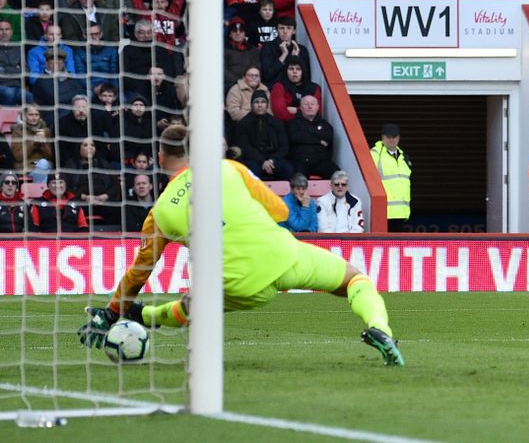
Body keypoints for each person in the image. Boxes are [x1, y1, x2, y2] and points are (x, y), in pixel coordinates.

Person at [77, 126, 404, 366]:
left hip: (236, 284)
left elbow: (140, 272)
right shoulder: (229, 168)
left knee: (196, 306)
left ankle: (142, 313)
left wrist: (111, 311)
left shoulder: (160, 211)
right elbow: (282, 211)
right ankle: (379, 328)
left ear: (161, 158)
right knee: (353, 280)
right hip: (283, 254)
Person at [234, 90, 294, 181]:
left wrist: (271, 160)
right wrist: (262, 161)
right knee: (252, 172)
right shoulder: (243, 124)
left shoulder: (276, 123)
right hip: (253, 159)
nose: (260, 105)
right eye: (256, 102)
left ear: (267, 105)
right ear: (251, 105)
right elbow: (244, 147)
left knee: (287, 169)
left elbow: (284, 146)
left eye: (263, 102)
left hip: (273, 159)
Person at [370, 123, 413, 232]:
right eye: (388, 137)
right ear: (382, 137)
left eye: (394, 136)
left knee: (397, 247)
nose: (391, 140)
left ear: (398, 138)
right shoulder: (375, 154)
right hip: (383, 212)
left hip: (402, 212)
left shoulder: (403, 157)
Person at [286, 95, 340, 178]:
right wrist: (318, 141)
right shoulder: (293, 123)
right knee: (298, 177)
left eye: (312, 104)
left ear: (317, 107)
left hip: (321, 161)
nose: (310, 106)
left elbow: (327, 136)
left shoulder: (325, 124)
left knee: (338, 175)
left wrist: (306, 134)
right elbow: (295, 137)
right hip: (299, 162)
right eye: (306, 104)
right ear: (300, 107)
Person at [10, 104, 53, 183]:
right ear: (25, 116)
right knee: (44, 166)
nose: (34, 118)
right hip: (27, 166)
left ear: (40, 116)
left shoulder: (46, 131)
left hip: (45, 164)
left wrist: (44, 144)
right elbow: (17, 157)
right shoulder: (18, 132)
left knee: (44, 163)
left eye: (36, 115)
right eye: (31, 115)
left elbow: (52, 157)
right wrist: (33, 141)